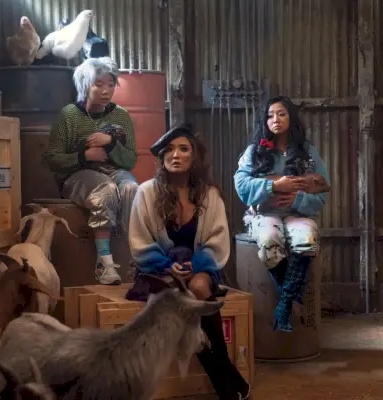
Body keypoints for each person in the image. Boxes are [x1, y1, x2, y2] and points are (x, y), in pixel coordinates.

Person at [128, 123, 251, 400]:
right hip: (157, 269)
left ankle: (222, 373)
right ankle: (227, 378)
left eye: (184, 149)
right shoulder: (146, 192)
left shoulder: (210, 195)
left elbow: (217, 242)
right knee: (176, 295)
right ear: (161, 158)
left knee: (197, 286)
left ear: (194, 156)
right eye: (169, 150)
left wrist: (195, 265)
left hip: (199, 268)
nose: (176, 155)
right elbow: (139, 240)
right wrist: (164, 264)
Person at [234, 96, 329, 332]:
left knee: (306, 239)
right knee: (269, 240)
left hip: (297, 212)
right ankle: (293, 299)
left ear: (291, 118)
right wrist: (274, 186)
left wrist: (299, 198)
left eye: (281, 114)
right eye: (270, 115)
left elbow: (322, 191)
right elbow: (241, 186)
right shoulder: (254, 152)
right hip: (265, 213)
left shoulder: (307, 153)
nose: (275, 119)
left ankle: (284, 305)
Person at [42, 57, 138, 286]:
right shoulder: (69, 115)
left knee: (132, 188)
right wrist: (84, 156)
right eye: (99, 84)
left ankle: (133, 257)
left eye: (111, 84)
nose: (106, 91)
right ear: (85, 85)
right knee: (106, 189)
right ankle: (103, 263)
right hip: (78, 174)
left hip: (113, 170)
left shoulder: (121, 116)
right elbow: (52, 160)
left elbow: (131, 159)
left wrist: (111, 143)